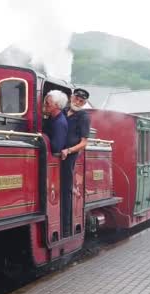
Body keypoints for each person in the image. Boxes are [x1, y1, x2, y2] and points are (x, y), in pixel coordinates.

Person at [59, 88, 91, 236]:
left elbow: (84, 142)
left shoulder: (83, 116)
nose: (78, 102)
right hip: (58, 152)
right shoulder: (63, 111)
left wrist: (69, 150)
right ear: (71, 97)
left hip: (69, 155)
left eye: (81, 101)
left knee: (66, 188)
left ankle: (66, 227)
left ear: (84, 103)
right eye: (76, 98)